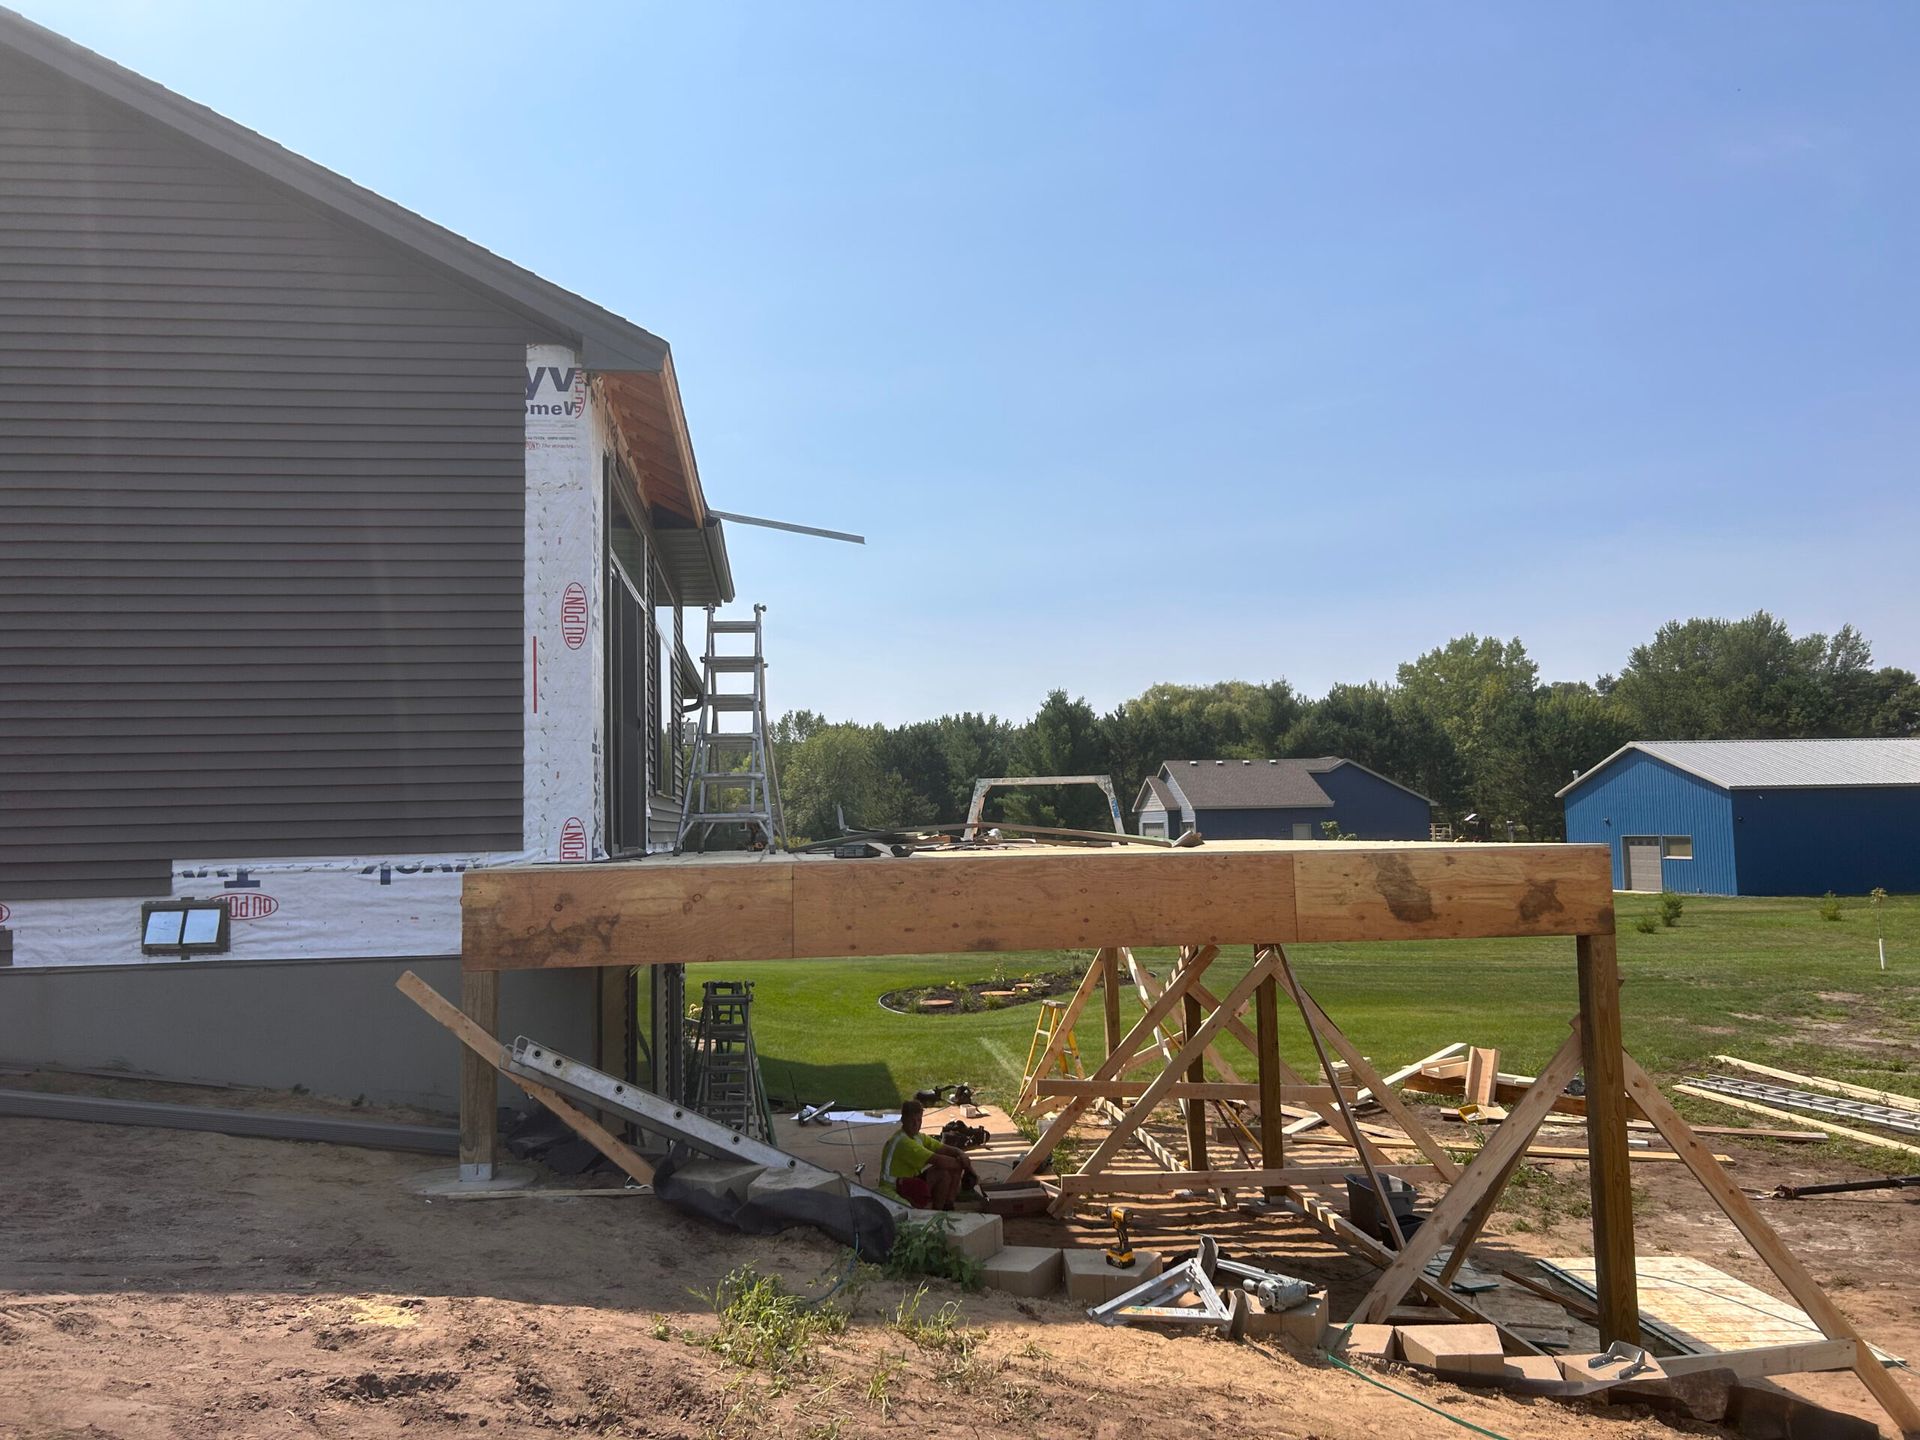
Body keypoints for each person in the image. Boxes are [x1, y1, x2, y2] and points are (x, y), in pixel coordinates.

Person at [880, 1098, 980, 1210]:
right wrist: (968, 1168)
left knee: (947, 1170)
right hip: (894, 1187)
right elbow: (939, 1161)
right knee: (944, 1171)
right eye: (911, 1121)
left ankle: (948, 1205)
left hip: (906, 1181)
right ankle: (938, 1210)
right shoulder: (903, 1142)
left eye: (919, 1120)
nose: (916, 1124)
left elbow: (944, 1149)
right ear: (903, 1120)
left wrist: (960, 1153)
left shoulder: (918, 1136)